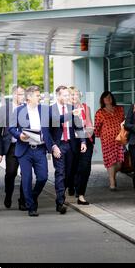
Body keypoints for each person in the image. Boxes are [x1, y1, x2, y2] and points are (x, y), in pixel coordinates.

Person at [9, 86, 54, 217]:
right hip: (25, 150)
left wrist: (71, 114)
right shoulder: (18, 111)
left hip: (40, 149)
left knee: (43, 177)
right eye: (37, 95)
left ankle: (33, 197)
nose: (39, 97)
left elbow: (58, 119)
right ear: (29, 97)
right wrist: (19, 136)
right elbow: (11, 128)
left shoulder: (44, 110)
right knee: (27, 179)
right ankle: (31, 207)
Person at [49, 86, 86, 214]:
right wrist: (53, 146)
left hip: (71, 145)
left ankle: (62, 193)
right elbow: (55, 121)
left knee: (69, 174)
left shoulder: (72, 109)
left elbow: (79, 126)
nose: (67, 98)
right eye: (64, 95)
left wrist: (83, 141)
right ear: (58, 96)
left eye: (67, 95)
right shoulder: (51, 110)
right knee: (60, 173)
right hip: (58, 145)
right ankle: (60, 203)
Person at [0, 86, 27, 210]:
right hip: (11, 146)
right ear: (14, 95)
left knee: (26, 174)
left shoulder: (27, 108)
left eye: (23, 94)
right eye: (19, 94)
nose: (22, 97)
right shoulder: (4, 109)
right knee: (10, 173)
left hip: (25, 145)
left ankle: (22, 201)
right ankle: (8, 195)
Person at [94, 91, 125, 191]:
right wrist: (97, 135)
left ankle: (112, 176)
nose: (108, 99)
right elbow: (97, 127)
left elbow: (124, 123)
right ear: (103, 100)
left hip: (119, 139)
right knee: (111, 161)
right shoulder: (100, 112)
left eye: (110, 97)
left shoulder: (120, 109)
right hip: (107, 140)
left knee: (119, 163)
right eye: (106, 97)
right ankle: (112, 182)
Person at [69, 86, 95, 205]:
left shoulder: (85, 108)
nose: (74, 97)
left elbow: (89, 123)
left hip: (86, 139)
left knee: (85, 168)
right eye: (71, 95)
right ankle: (72, 185)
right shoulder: (67, 110)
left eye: (75, 94)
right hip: (72, 141)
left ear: (79, 96)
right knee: (73, 167)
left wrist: (90, 138)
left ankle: (81, 194)